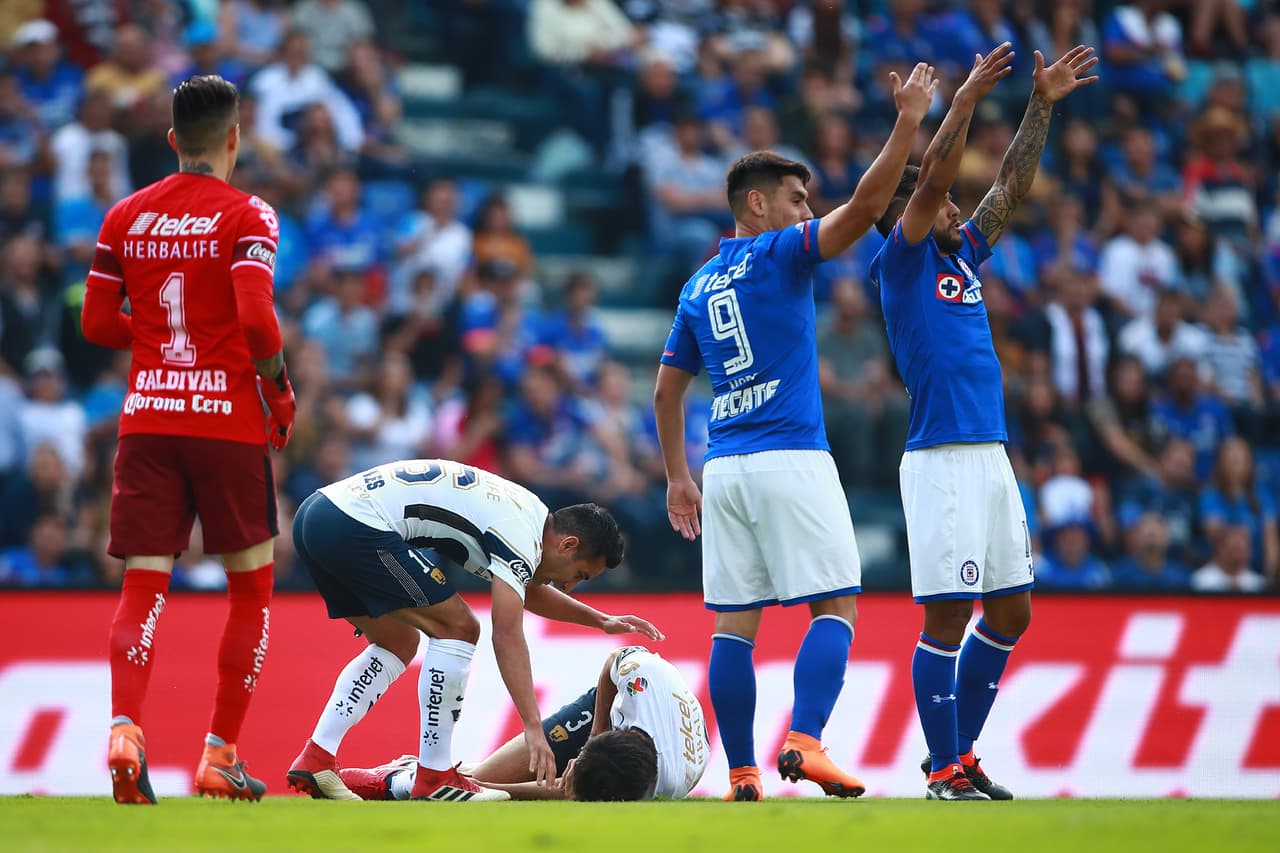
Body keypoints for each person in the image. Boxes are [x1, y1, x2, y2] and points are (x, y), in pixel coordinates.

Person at [653, 62, 938, 801]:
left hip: (723, 467)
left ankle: (743, 771)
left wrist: (677, 475)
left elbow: (665, 387)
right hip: (789, 456)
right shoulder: (779, 252)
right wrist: (908, 121)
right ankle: (807, 738)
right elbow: (869, 204)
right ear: (756, 203)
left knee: (732, 628)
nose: (807, 207)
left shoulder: (697, 283)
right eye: (796, 196)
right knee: (837, 604)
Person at [870, 44, 1098, 800]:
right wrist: (961, 99)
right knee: (946, 617)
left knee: (1012, 609)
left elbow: (1010, 186)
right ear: (912, 212)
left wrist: (1042, 104)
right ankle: (942, 768)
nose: (960, 208)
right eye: (943, 202)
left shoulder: (962, 255)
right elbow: (936, 173)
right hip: (940, 458)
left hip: (991, 454)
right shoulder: (899, 266)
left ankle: (960, 755)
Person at [81, 75, 295, 804]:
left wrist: (153, 341)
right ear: (235, 137)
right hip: (227, 423)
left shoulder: (125, 216)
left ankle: (124, 729)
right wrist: (277, 386)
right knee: (250, 589)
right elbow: (258, 321)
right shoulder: (249, 213)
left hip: (148, 417)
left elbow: (95, 323)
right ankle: (219, 754)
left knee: (144, 583)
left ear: (173, 140)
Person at [285, 459, 663, 803]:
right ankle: (434, 776)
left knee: (398, 642)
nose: (570, 587)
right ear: (568, 545)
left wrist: (600, 621)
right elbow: (508, 633)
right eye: (579, 575)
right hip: (355, 525)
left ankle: (317, 756)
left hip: (319, 515)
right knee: (460, 628)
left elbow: (530, 591)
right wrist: (533, 727)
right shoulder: (521, 535)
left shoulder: (528, 516)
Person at [339, 644, 708, 801]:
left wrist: (476, 788)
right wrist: (596, 731)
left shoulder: (671, 781)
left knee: (488, 782)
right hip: (603, 708)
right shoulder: (643, 674)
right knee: (492, 774)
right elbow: (614, 658)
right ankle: (421, 774)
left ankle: (416, 776)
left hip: (627, 739)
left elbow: (570, 792)